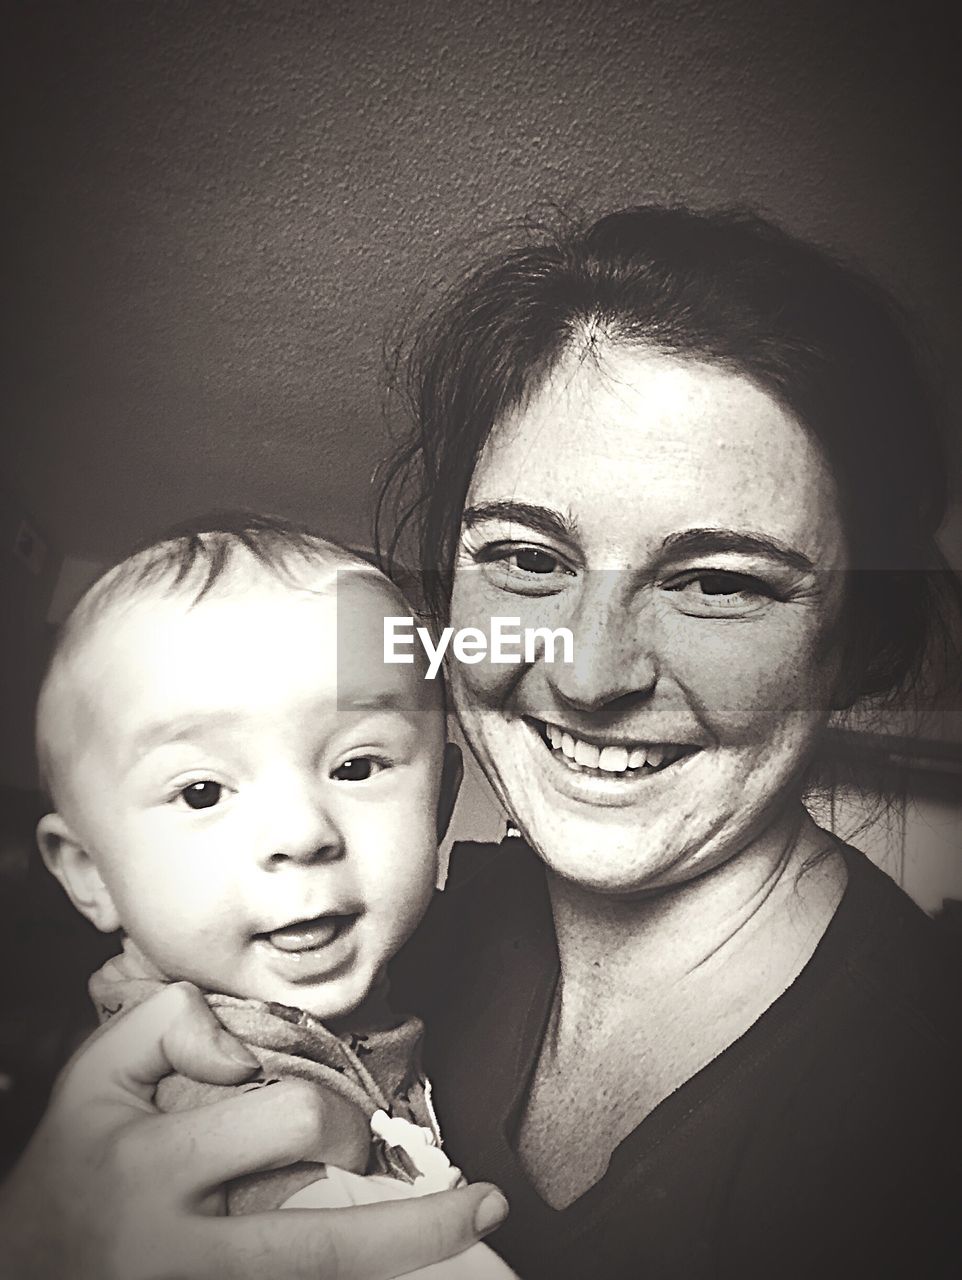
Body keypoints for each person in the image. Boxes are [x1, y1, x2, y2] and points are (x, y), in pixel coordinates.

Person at [2, 205, 960, 1278]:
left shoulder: (926, 1093)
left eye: (717, 583)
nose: (587, 674)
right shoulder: (402, 941)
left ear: (859, 639)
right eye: (528, 559)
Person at [27, 514, 513, 1276]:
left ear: (442, 806)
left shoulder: (425, 986)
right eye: (200, 791)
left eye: (356, 767)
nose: (301, 831)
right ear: (89, 871)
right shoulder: (211, 1074)